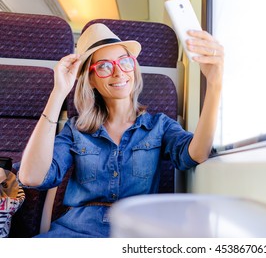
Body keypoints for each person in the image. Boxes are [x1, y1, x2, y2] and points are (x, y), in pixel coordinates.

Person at [17, 23, 224, 237]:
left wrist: (214, 83)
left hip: (135, 234)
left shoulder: (159, 126)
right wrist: (58, 93)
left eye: (124, 62)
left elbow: (196, 153)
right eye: (105, 66)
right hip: (75, 233)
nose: (118, 72)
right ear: (91, 79)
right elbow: (32, 177)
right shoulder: (76, 130)